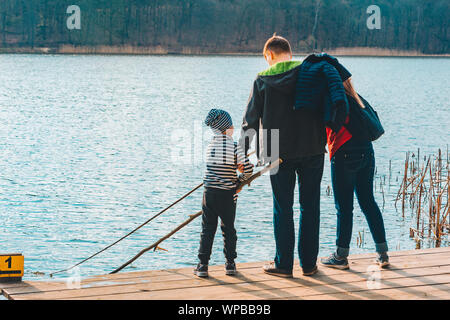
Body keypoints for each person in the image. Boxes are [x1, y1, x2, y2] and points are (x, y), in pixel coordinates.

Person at [239, 35, 326, 277]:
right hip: (313, 147)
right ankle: (309, 264)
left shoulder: (263, 80)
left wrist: (241, 153)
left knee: (283, 208)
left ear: (269, 56)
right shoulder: (311, 74)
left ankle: (284, 264)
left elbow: (251, 121)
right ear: (290, 52)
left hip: (276, 151)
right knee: (310, 207)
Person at [320, 78, 389, 269]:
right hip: (367, 152)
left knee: (344, 208)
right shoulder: (358, 98)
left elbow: (323, 127)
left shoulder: (335, 101)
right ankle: (383, 254)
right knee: (368, 202)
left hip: (344, 154)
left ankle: (341, 256)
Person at [194, 108, 253, 278]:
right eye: (231, 125)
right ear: (226, 128)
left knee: (207, 229)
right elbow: (248, 169)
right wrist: (240, 179)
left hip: (209, 194)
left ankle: (203, 265)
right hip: (227, 195)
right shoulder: (235, 147)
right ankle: (230, 264)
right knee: (228, 229)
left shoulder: (209, 147)